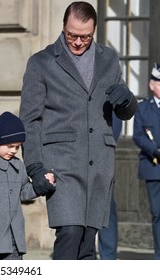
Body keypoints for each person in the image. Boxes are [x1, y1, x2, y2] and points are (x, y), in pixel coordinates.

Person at [19, 1, 137, 260]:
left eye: (85, 37)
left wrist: (127, 99)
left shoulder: (109, 59)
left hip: (99, 165)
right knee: (70, 232)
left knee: (87, 243)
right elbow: (30, 119)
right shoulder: (42, 62)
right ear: (63, 27)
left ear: (94, 32)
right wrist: (35, 167)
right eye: (72, 35)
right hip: (61, 164)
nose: (78, 42)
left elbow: (125, 111)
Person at [0, 111, 55, 260]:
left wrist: (42, 185)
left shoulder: (18, 165)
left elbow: (24, 191)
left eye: (18, 147)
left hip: (14, 242)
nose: (14, 151)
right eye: (10, 146)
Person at [132, 62, 160, 260]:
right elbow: (138, 136)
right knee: (158, 214)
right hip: (154, 167)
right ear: (152, 85)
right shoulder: (142, 108)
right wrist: (155, 150)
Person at [97, 113, 122, 260]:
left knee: (107, 212)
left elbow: (112, 136)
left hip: (102, 161)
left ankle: (108, 259)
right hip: (76, 160)